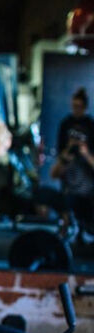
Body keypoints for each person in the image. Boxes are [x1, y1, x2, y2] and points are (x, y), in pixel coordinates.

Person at [51, 87, 94, 243]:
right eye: (73, 106)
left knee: (86, 209)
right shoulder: (66, 123)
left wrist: (85, 152)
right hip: (69, 174)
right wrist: (69, 148)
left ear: (84, 107)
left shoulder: (90, 124)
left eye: (78, 106)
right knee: (66, 205)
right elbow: (60, 154)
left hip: (87, 177)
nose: (75, 109)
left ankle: (84, 231)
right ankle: (66, 233)